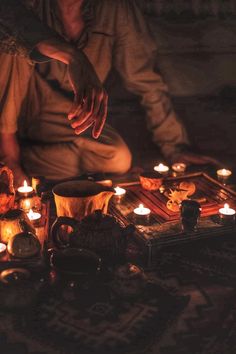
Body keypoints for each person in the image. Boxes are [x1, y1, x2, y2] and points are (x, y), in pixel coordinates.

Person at [0, 0, 218, 186]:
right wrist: (72, 55)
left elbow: (144, 79)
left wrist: (174, 147)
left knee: (118, 158)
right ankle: (9, 156)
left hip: (69, 115)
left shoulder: (114, 8)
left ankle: (24, 162)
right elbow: (8, 17)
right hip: (20, 107)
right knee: (13, 43)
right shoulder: (31, 4)